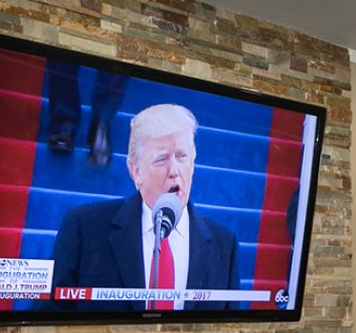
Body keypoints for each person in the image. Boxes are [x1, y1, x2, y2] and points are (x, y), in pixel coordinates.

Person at [50, 103, 239, 310]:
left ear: (193, 164)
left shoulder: (224, 244)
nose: (174, 170)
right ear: (136, 171)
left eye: (182, 156)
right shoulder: (84, 228)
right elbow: (49, 319)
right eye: (162, 159)